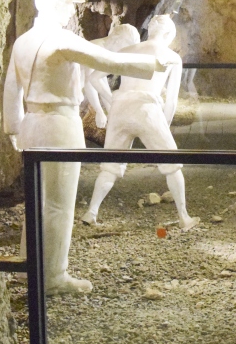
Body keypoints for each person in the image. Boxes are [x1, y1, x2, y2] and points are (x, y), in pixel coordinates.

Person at [3, 0, 161, 295]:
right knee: (58, 204)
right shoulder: (61, 39)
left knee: (36, 201)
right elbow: (110, 60)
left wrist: (14, 128)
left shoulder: (24, 42)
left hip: (32, 123)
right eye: (67, 4)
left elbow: (10, 90)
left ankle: (29, 267)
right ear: (57, 5)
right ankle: (52, 276)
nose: (68, 11)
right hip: (59, 125)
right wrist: (156, 63)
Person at [80, 15, 199, 231]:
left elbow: (95, 78)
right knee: (172, 165)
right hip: (147, 109)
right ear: (168, 34)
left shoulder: (126, 50)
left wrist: (111, 100)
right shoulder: (172, 57)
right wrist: (165, 125)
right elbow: (171, 101)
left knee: (110, 166)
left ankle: (92, 212)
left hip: (120, 109)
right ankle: (184, 216)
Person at [83, 21, 141, 128]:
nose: (124, 53)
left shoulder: (105, 51)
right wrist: (99, 111)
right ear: (118, 40)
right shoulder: (96, 48)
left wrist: (111, 109)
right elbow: (88, 81)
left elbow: (101, 82)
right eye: (125, 48)